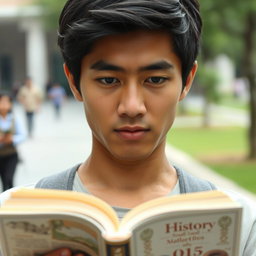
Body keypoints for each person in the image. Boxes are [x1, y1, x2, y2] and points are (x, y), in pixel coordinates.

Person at [0, 0, 255, 256]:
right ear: (74, 82)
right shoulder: (10, 219)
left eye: (155, 79)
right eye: (108, 80)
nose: (132, 107)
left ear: (186, 81)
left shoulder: (243, 227)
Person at [0, 91, 26, 191]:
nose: (4, 105)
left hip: (11, 154)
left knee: (9, 179)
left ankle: (9, 203)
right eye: (2, 102)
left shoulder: (14, 118)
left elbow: (23, 135)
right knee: (3, 181)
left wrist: (12, 139)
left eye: (7, 102)